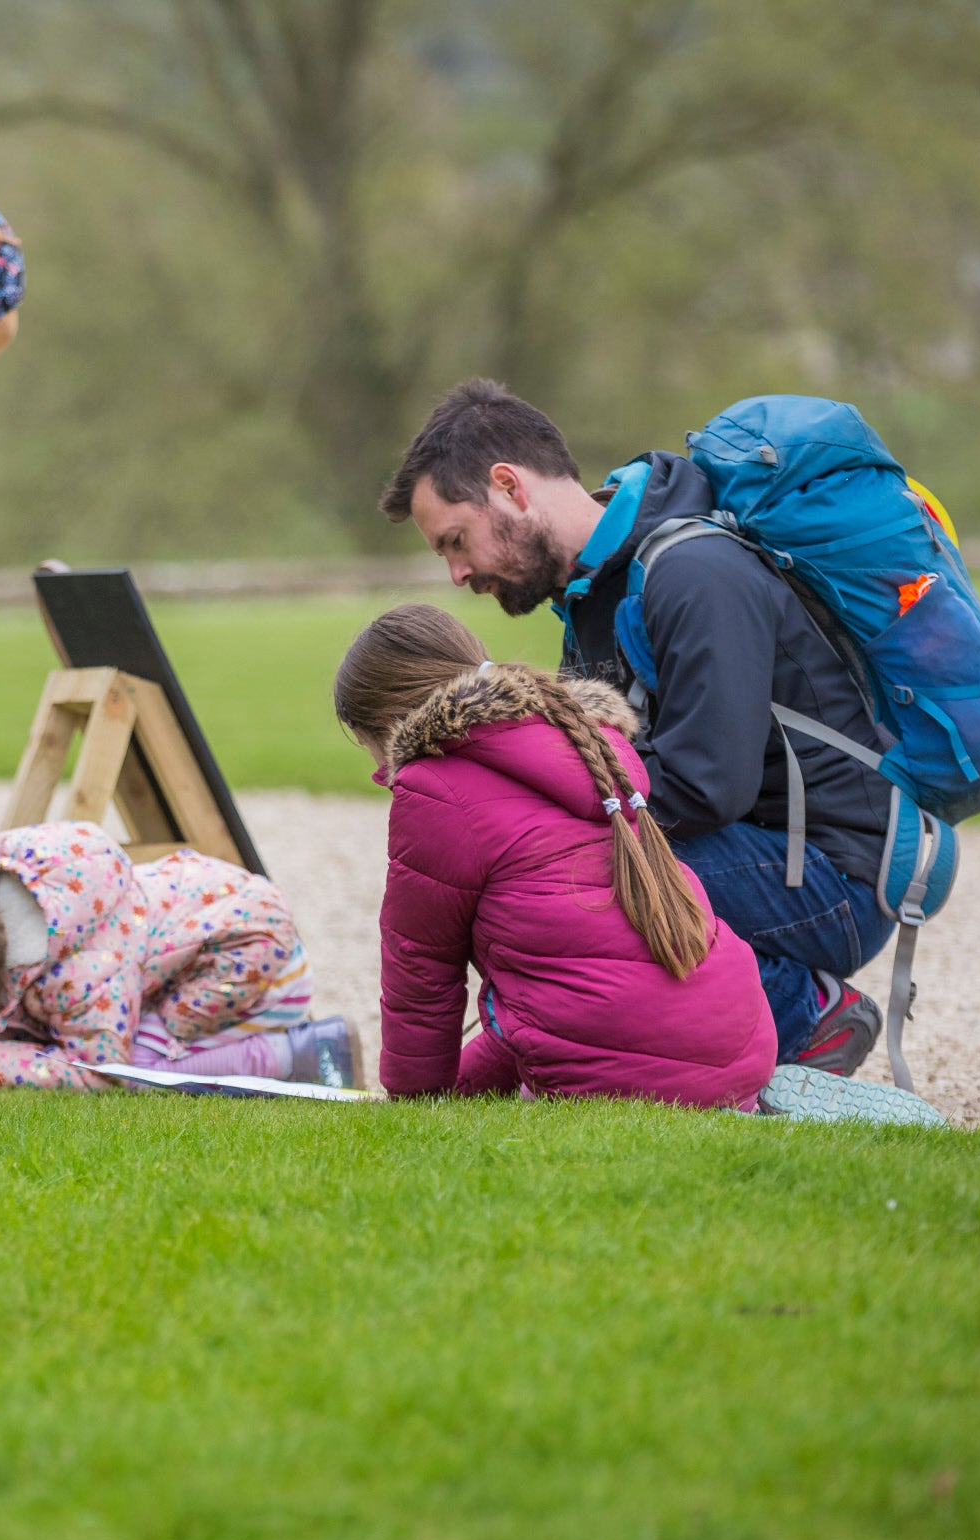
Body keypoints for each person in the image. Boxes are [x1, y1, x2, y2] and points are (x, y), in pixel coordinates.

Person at [379, 380, 895, 1076]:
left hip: (837, 875)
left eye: (455, 540)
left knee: (555, 881)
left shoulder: (694, 570)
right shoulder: (593, 593)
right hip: (763, 853)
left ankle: (810, 1011)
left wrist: (539, 834)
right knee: (542, 866)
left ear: (509, 487)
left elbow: (709, 785)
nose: (456, 571)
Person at [335, 605, 776, 1106]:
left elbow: (420, 968)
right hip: (737, 1049)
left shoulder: (434, 786)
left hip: (621, 1075)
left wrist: (414, 1101)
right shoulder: (586, 740)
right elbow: (566, 979)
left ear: (387, 724)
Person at [0, 823, 362, 1091]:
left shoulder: (78, 962)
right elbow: (9, 1032)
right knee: (123, 1049)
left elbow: (100, 1069)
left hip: (254, 962)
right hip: (209, 956)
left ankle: (303, 1055)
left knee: (141, 1067)